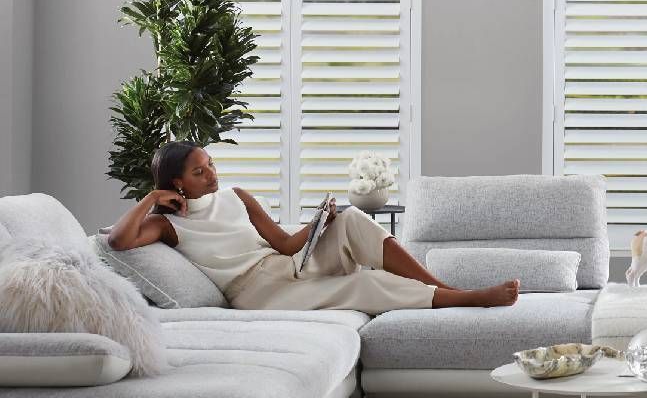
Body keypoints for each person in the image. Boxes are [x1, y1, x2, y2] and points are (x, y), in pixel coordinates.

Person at [107, 141, 519, 314]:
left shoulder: (237, 196)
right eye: (200, 172)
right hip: (256, 292)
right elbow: (118, 240)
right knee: (362, 285)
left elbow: (285, 244)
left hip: (284, 265)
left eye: (211, 164)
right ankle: (467, 300)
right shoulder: (167, 225)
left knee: (354, 219)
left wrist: (318, 223)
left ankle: (445, 288)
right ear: (177, 182)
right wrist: (149, 199)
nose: (212, 174)